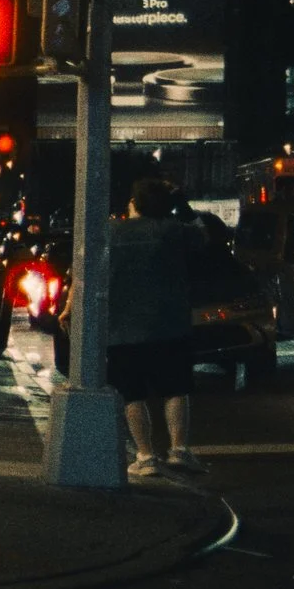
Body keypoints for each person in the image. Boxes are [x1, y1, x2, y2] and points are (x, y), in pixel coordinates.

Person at [107, 178, 204, 476]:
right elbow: (207, 234)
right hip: (170, 324)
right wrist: (182, 204)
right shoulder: (174, 232)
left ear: (133, 204)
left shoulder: (112, 233)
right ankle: (179, 450)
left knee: (132, 394)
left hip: (122, 327)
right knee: (175, 389)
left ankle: (146, 456)